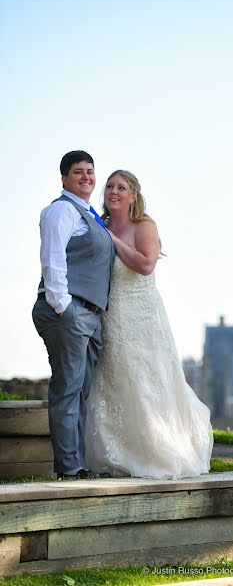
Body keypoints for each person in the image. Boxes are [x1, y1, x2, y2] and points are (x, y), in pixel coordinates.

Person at [85, 170, 213, 479]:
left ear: (133, 196)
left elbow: (145, 265)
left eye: (121, 187)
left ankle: (157, 450)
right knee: (115, 381)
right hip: (111, 316)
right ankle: (117, 453)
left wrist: (111, 238)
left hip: (144, 317)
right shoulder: (96, 225)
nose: (113, 191)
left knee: (148, 380)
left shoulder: (144, 226)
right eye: (110, 186)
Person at [32, 151, 115, 480]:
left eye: (90, 171)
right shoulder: (61, 210)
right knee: (67, 389)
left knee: (80, 391)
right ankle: (69, 470)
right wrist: (65, 309)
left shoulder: (90, 215)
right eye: (78, 172)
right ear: (64, 178)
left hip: (89, 315)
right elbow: (53, 261)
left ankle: (78, 466)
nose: (86, 177)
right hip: (69, 311)